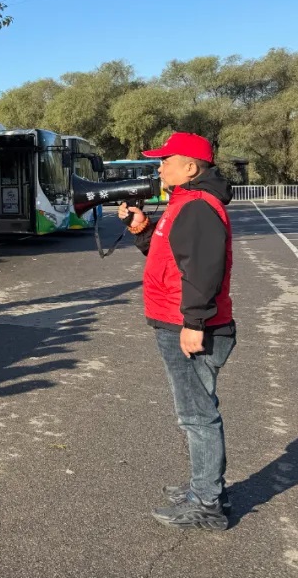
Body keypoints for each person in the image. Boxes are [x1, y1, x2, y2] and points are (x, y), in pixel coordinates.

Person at [119, 132, 235, 531]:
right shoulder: (185, 202)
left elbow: (203, 270)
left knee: (197, 416)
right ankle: (206, 488)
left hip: (187, 325)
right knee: (197, 412)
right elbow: (169, 257)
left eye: (165, 160)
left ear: (190, 167)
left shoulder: (197, 206)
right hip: (177, 319)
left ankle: (207, 504)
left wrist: (194, 323)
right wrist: (141, 228)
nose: (159, 167)